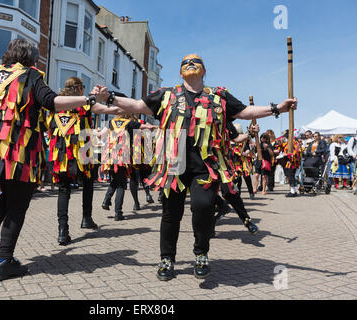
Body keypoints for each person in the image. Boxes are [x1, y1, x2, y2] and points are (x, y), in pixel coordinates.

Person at [101, 53, 297, 281]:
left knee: (203, 207)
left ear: (204, 71)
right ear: (181, 71)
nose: (191, 63)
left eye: (196, 61)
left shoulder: (218, 96)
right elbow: (136, 105)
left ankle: (201, 252)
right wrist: (110, 97)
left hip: (206, 165)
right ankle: (167, 258)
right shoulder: (167, 95)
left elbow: (245, 112)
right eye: (186, 62)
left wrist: (278, 109)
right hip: (174, 163)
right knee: (170, 214)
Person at [0, 39, 112, 281]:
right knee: (18, 203)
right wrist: (89, 100)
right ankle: (3, 261)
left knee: (9, 195)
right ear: (30, 58)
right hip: (18, 152)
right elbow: (51, 102)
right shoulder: (30, 76)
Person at [47, 77, 124, 246]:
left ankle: (63, 231)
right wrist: (122, 107)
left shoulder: (56, 103)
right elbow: (106, 110)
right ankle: (86, 218)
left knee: (64, 189)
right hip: (83, 151)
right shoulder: (86, 104)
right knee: (88, 182)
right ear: (79, 88)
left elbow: (48, 127)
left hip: (61, 153)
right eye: (83, 87)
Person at [100, 114, 157, 220]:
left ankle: (106, 200)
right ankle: (118, 213)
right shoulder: (130, 123)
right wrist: (155, 127)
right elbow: (146, 127)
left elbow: (100, 135)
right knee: (121, 185)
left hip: (110, 158)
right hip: (122, 159)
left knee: (115, 181)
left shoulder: (111, 122)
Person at [277, 132, 302, 197]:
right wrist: (280, 144)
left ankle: (293, 191)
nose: (285, 138)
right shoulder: (286, 143)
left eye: (285, 137)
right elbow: (281, 149)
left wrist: (288, 155)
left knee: (291, 176)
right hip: (286, 162)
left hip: (292, 162)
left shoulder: (295, 143)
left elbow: (297, 152)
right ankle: (292, 190)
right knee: (289, 176)